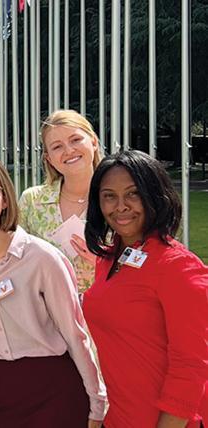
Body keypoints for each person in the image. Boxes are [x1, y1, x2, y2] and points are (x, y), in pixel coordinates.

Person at [0, 153, 106, 428]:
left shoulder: (42, 258)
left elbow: (76, 335)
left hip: (60, 396)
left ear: (5, 199)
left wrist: (97, 404)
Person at [82, 150, 208, 428]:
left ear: (155, 195)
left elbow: (192, 367)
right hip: (118, 418)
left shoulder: (179, 267)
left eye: (133, 193)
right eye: (109, 196)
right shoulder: (109, 259)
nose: (120, 206)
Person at [19, 110, 103, 293]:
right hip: (47, 315)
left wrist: (104, 262)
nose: (69, 151)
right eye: (57, 146)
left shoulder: (117, 199)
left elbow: (146, 260)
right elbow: (15, 260)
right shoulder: (32, 201)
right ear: (49, 158)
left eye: (75, 140)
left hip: (106, 312)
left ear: (94, 142)